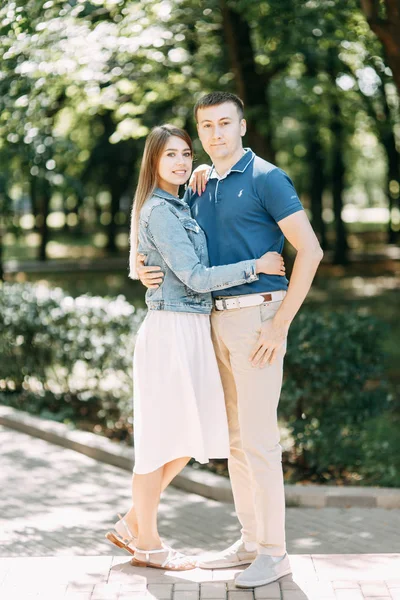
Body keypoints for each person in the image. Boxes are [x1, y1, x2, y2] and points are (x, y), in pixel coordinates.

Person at [137, 92, 323, 587]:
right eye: (206, 126)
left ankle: (275, 552)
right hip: (213, 321)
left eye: (225, 123)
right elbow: (169, 244)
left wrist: (280, 322)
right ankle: (249, 541)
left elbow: (311, 250)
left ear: (242, 125)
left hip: (259, 319)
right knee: (237, 442)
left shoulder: (266, 178)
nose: (216, 133)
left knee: (260, 442)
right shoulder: (198, 184)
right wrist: (137, 266)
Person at [105, 123, 286, 572]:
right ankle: (147, 542)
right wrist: (256, 266)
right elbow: (197, 278)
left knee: (189, 436)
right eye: (170, 155)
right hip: (171, 331)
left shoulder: (178, 201)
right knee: (160, 442)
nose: (181, 162)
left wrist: (203, 168)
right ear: (153, 161)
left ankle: (131, 521)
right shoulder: (162, 210)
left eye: (186, 154)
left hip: (192, 329)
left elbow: (161, 251)